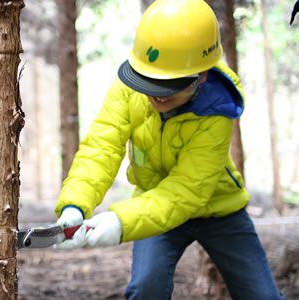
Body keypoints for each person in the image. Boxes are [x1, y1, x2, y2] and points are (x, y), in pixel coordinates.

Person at [54, 0, 284, 299]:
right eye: (148, 82)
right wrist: (75, 203)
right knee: (145, 289)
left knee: (261, 295)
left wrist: (120, 222)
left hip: (219, 209)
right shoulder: (130, 86)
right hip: (153, 205)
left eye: (168, 86)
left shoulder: (218, 111)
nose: (155, 95)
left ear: (201, 75)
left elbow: (186, 191)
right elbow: (102, 145)